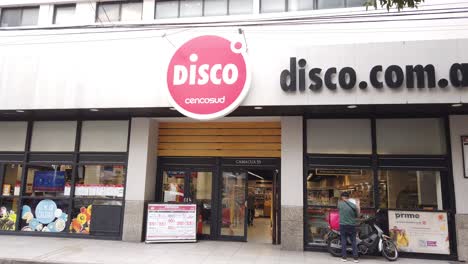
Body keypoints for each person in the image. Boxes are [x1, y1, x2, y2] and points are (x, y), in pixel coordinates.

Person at [338, 192, 359, 263]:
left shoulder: (340, 204)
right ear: (348, 197)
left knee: (343, 241)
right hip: (352, 225)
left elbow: (339, 209)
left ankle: (344, 257)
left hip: (343, 225)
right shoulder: (353, 205)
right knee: (353, 241)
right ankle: (355, 258)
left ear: (342, 197)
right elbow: (356, 215)